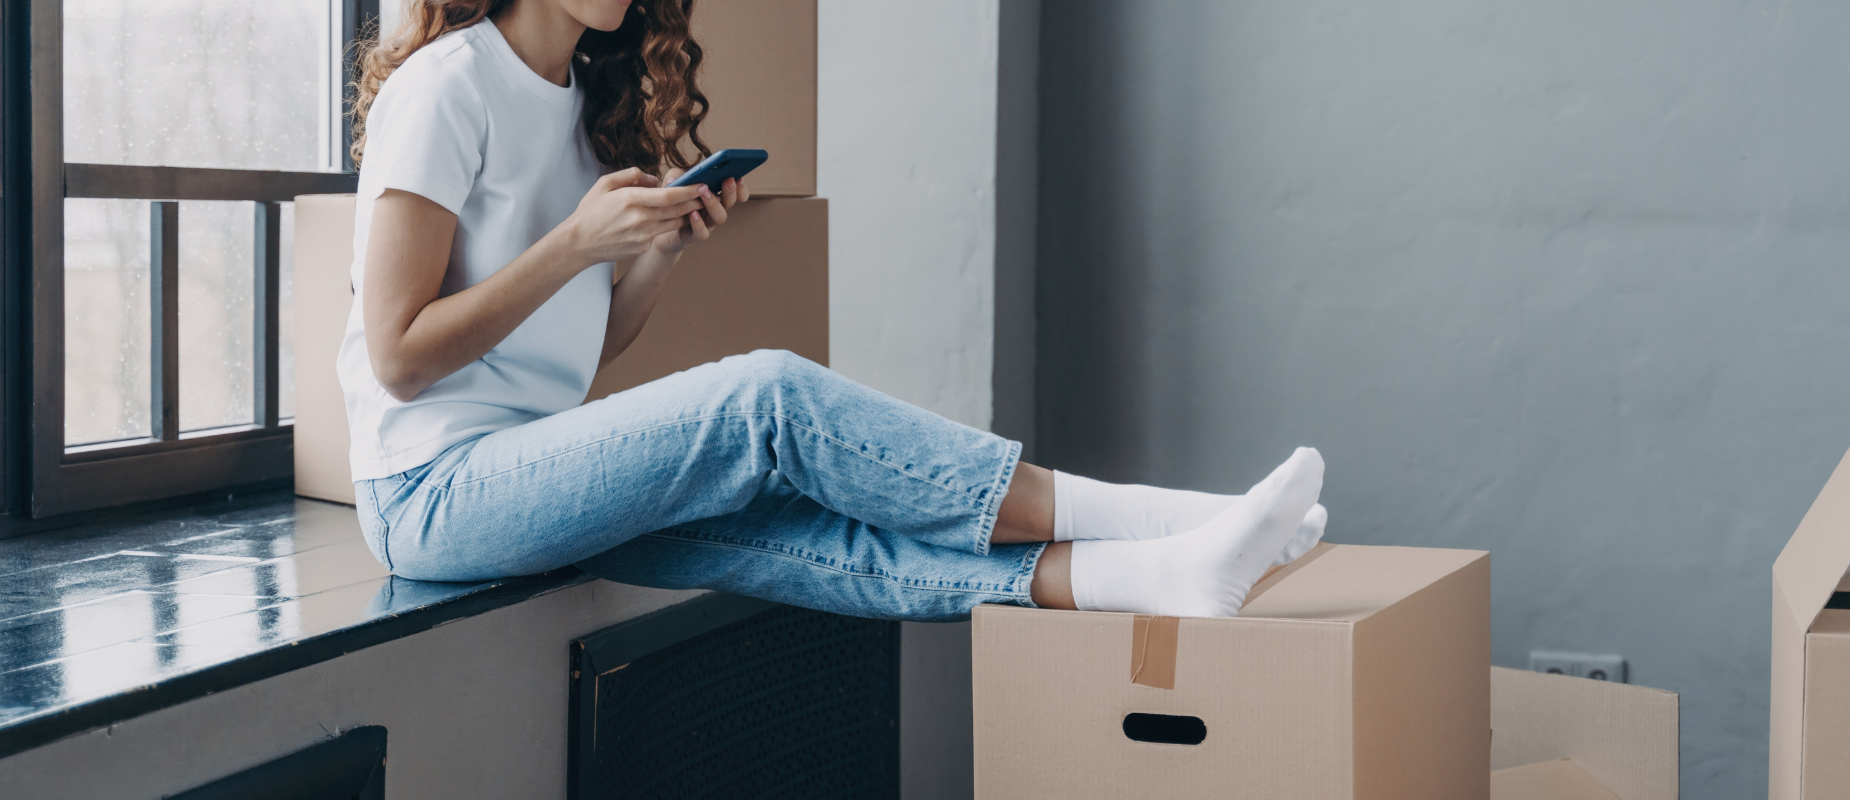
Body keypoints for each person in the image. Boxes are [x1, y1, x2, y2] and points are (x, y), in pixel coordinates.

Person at [341, 0, 1328, 622]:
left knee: (795, 525)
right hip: (429, 494)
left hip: (524, 466)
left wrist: (652, 259)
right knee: (764, 399)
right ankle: (1175, 516)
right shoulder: (443, 90)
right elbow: (397, 358)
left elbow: (577, 356)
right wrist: (572, 246)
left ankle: (1155, 578)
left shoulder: (580, 103)